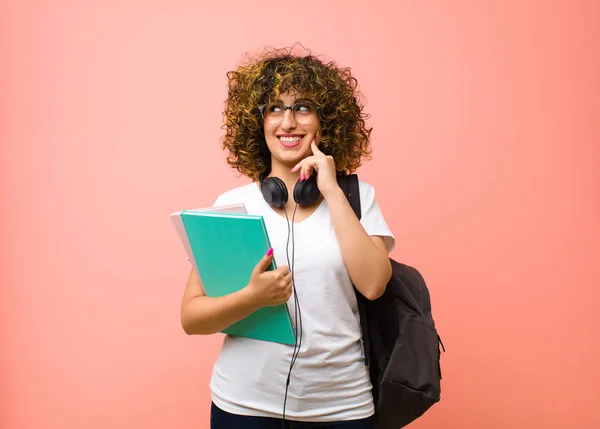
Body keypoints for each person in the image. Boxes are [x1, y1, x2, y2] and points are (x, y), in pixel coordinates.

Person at [180, 46, 395, 429]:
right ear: (258, 123)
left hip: (341, 407)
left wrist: (331, 189)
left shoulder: (357, 198)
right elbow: (192, 318)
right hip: (243, 405)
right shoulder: (232, 206)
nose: (288, 122)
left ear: (324, 121)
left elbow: (375, 284)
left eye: (303, 107)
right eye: (274, 108)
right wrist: (253, 297)